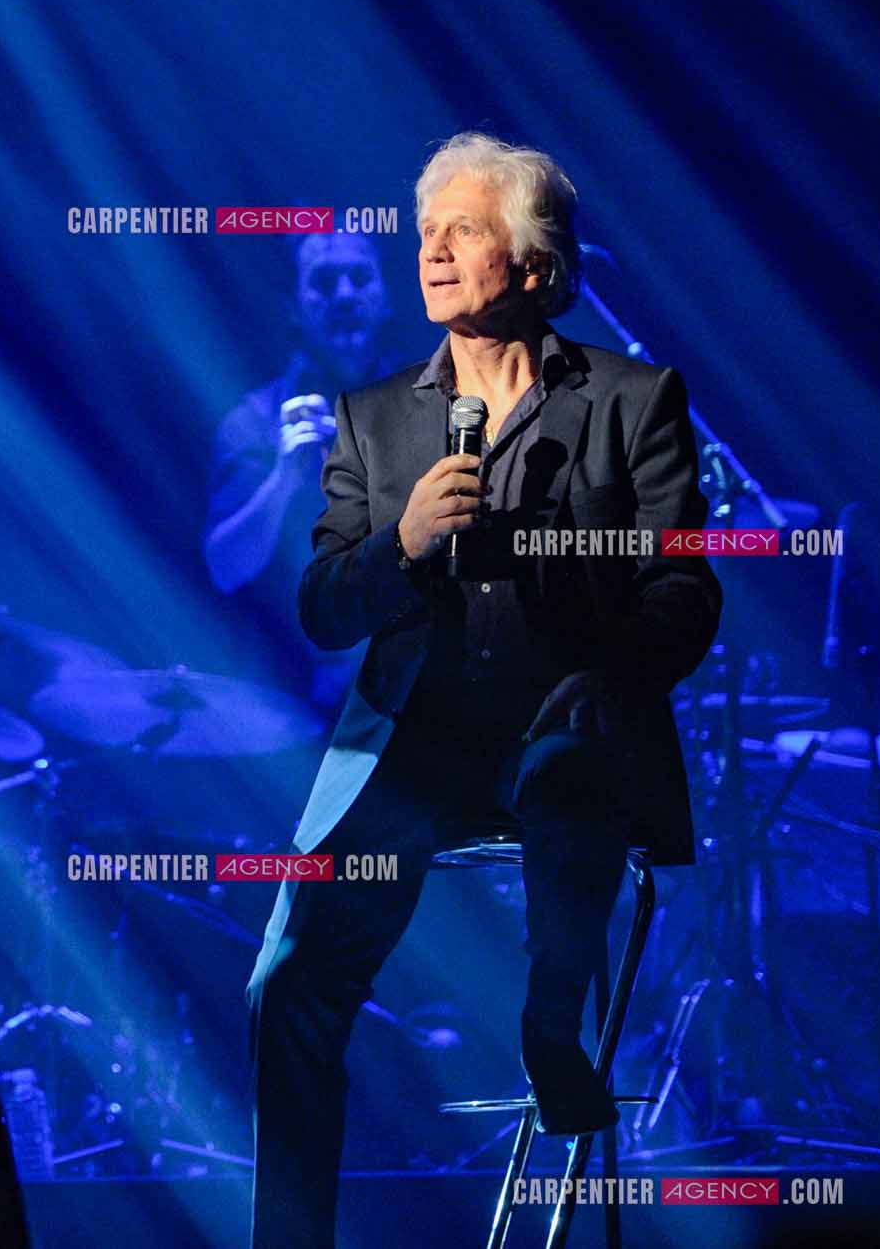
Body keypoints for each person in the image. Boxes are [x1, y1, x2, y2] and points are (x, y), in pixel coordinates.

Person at [242, 134, 722, 1248]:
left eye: (464, 230)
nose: (434, 253)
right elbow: (323, 608)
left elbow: (683, 590)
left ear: (535, 264)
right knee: (288, 986)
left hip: (568, 728)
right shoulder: (373, 421)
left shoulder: (632, 400)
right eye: (427, 233)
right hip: (413, 749)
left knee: (569, 760)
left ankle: (551, 1027)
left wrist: (610, 672)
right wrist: (404, 542)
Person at [204, 232, 395, 713]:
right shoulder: (254, 422)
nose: (345, 295)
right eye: (324, 282)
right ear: (293, 307)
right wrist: (283, 481)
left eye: (360, 278)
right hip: (291, 704)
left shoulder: (431, 404)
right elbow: (224, 568)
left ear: (386, 295)